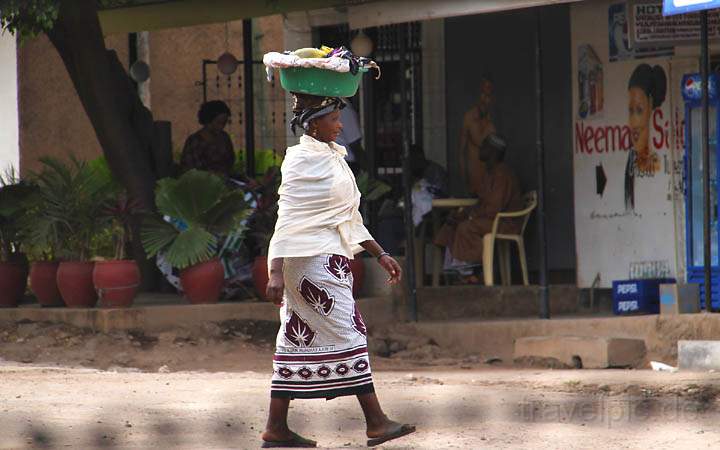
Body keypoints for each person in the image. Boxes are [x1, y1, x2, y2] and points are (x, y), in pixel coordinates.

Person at [261, 92, 416, 448]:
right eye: (333, 119)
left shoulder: (333, 157)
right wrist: (274, 272)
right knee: (350, 331)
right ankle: (376, 422)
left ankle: (276, 428)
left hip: (328, 259)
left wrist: (379, 253)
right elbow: (287, 218)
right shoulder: (300, 160)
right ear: (314, 123)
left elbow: (347, 216)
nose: (340, 125)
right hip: (310, 262)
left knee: (293, 336)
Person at [434, 134, 523, 283]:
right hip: (490, 220)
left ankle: (470, 273)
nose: (480, 149)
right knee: (451, 225)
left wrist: (470, 216)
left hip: (505, 223)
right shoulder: (490, 173)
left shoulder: (502, 174)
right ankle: (455, 273)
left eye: (484, 147)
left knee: (466, 227)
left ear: (493, 152)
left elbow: (493, 208)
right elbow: (481, 202)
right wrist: (463, 214)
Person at [625, 64, 667, 211]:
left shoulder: (657, 156)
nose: (633, 121)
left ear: (650, 105)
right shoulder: (630, 160)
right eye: (630, 110)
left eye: (639, 110)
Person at [459, 76, 497, 195]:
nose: (486, 94)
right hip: (474, 177)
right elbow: (462, 151)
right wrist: (465, 180)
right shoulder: (470, 117)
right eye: (483, 91)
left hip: (490, 180)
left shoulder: (493, 119)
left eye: (489, 90)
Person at [180, 100, 236, 178]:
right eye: (218, 122)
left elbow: (230, 163)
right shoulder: (194, 141)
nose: (221, 126)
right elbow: (189, 170)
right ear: (208, 120)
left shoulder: (224, 138)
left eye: (224, 123)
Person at [334, 101, 367, 173]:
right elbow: (354, 143)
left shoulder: (323, 108)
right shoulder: (344, 109)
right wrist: (369, 171)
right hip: (345, 163)